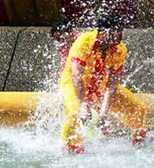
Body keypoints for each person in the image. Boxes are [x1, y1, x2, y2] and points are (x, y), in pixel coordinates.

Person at [60, 13, 146, 154]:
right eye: (116, 31)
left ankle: (138, 147)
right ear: (103, 32)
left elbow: (112, 85)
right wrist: (84, 105)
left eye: (121, 31)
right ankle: (70, 150)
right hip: (73, 84)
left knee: (138, 108)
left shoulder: (120, 49)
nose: (120, 35)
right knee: (75, 113)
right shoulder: (84, 41)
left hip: (99, 84)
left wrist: (103, 114)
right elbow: (76, 76)